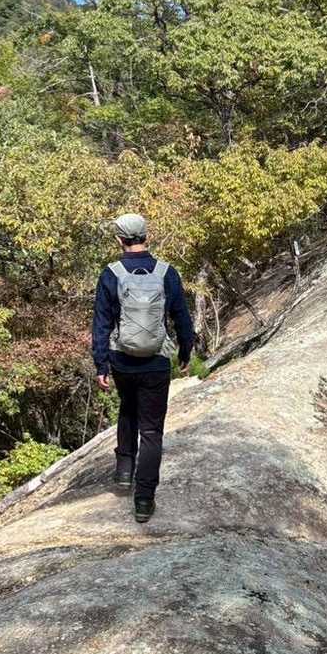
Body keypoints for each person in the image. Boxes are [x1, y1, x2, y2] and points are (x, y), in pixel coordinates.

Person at [92, 212, 195, 522]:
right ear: (145, 236)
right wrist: (185, 351)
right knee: (151, 430)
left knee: (127, 408)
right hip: (157, 360)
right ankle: (144, 500)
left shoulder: (111, 273)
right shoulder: (167, 272)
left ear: (119, 240)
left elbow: (101, 323)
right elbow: (181, 317)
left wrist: (101, 364)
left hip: (122, 359)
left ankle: (125, 470)